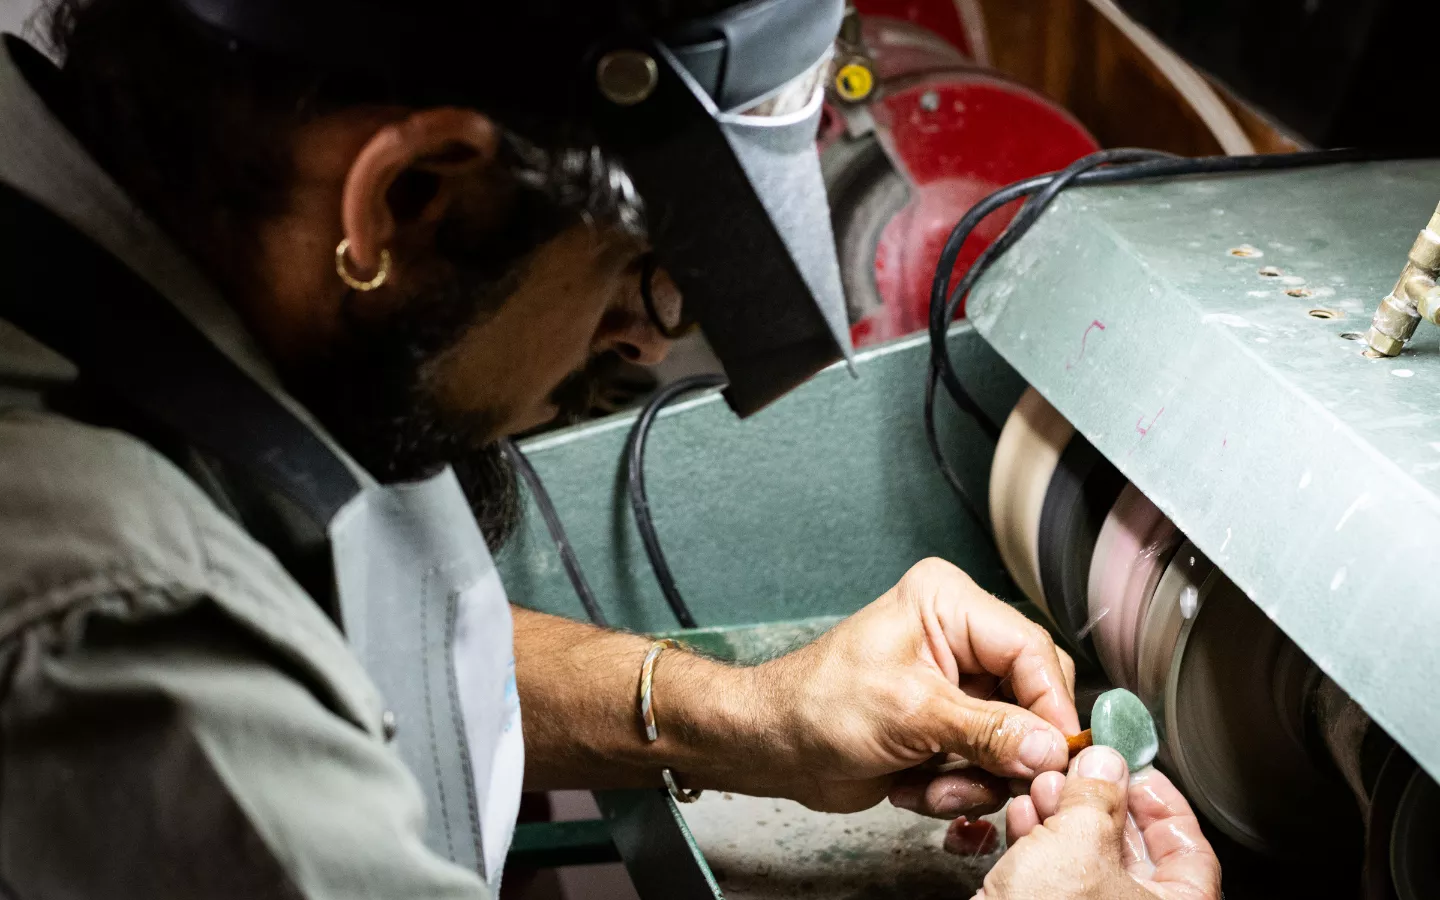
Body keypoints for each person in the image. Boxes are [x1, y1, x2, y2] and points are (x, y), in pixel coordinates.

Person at [0, 1, 1221, 898]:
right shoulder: (121, 630)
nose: (643, 343)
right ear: (411, 195)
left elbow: (338, 649)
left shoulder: (184, 249)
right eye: (643, 277)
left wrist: (744, 715)